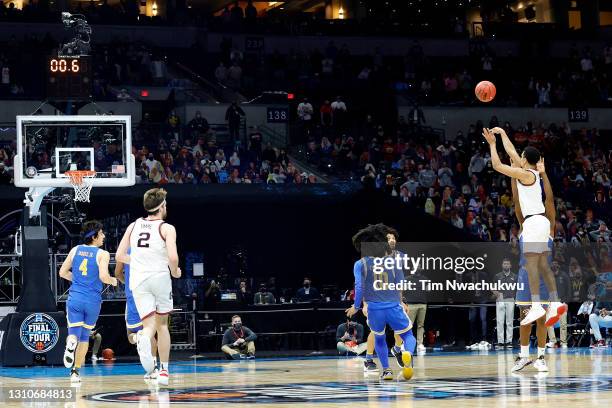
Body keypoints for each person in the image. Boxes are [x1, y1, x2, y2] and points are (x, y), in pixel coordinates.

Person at [483, 127, 566, 327]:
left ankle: (538, 305)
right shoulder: (530, 172)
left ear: (525, 159)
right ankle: (553, 303)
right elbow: (512, 152)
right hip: (540, 223)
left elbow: (497, 165)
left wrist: (493, 145)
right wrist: (502, 134)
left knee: (531, 265)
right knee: (541, 265)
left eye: (520, 155)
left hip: (533, 222)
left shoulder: (525, 174)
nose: (516, 156)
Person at [116, 188, 181, 386]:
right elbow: (172, 257)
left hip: (138, 280)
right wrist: (175, 271)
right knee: (162, 326)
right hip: (159, 277)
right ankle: (164, 371)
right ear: (161, 206)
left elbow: (119, 256)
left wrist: (137, 262)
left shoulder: (133, 225)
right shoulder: (167, 228)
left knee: (148, 326)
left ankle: (143, 337)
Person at [346, 223, 417, 381]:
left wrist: (357, 306)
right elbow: (400, 284)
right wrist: (402, 302)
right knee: (408, 335)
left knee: (379, 338)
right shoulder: (393, 262)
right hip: (393, 306)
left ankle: (386, 371)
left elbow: (359, 286)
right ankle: (407, 353)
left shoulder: (360, 264)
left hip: (374, 309)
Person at [59, 221, 118, 383]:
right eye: (101, 233)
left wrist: (78, 281)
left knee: (74, 334)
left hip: (75, 298)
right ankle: (75, 373)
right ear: (94, 237)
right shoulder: (102, 254)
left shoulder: (75, 250)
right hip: (92, 301)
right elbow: (104, 277)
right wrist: (113, 281)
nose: (104, 236)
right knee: (85, 337)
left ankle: (70, 343)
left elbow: (62, 272)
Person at [512, 158, 555, 372]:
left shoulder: (549, 227)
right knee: (524, 318)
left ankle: (540, 357)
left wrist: (543, 174)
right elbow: (517, 202)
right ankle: (524, 356)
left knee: (541, 319)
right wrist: (514, 176)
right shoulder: (525, 225)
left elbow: (550, 201)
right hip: (524, 278)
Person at [115, 250, 159, 379]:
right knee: (150, 331)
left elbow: (117, 273)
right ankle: (154, 368)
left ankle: (137, 338)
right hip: (148, 293)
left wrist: (126, 282)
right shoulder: (151, 245)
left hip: (132, 293)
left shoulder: (124, 248)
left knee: (130, 333)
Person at [493, 258, 517, 348]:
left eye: (507, 264)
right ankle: (500, 342)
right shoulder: (497, 276)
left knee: (509, 322)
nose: (506, 265)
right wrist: (495, 292)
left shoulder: (515, 276)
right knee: (499, 321)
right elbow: (492, 287)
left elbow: (518, 288)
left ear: (510, 265)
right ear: (502, 265)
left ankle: (509, 341)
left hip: (510, 299)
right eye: (504, 264)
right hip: (500, 299)